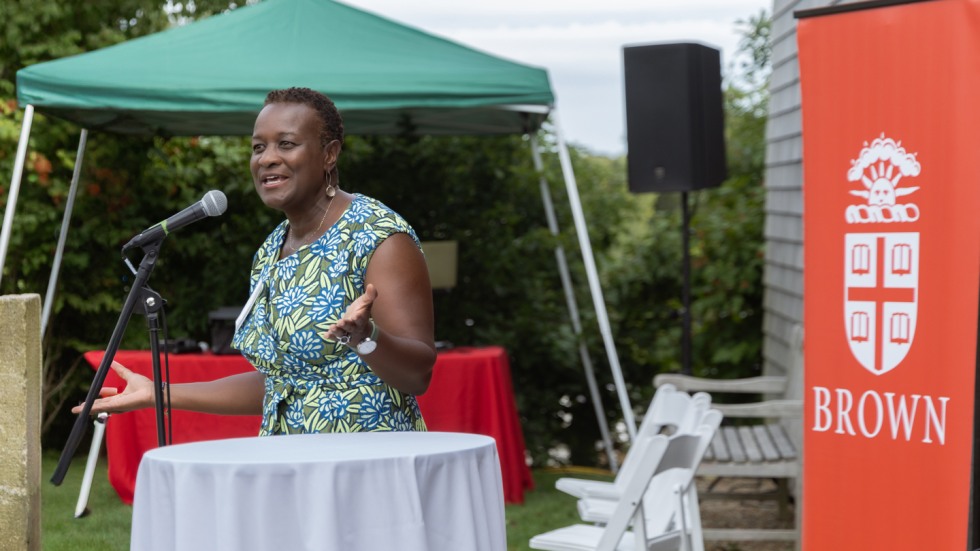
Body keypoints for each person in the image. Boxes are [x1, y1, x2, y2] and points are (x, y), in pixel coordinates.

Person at [74, 87, 436, 434]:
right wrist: (158, 393)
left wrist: (366, 337)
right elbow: (279, 385)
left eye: (287, 144)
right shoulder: (271, 250)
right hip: (285, 465)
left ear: (330, 153)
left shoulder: (378, 236)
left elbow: (417, 375)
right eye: (258, 147)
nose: (267, 158)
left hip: (367, 462)